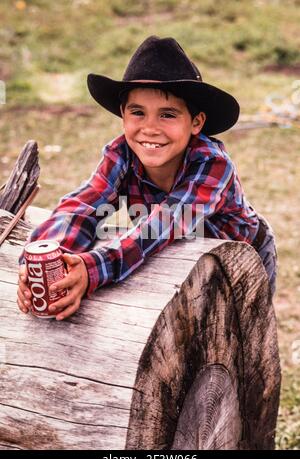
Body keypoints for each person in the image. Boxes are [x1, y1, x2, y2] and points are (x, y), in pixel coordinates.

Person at [17, 35, 277, 321]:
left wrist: (92, 268)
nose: (150, 128)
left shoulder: (212, 164)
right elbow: (81, 207)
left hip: (241, 257)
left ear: (196, 123)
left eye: (167, 115)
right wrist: (49, 259)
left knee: (241, 334)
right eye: (138, 112)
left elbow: (164, 223)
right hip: (177, 257)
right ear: (123, 115)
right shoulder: (121, 154)